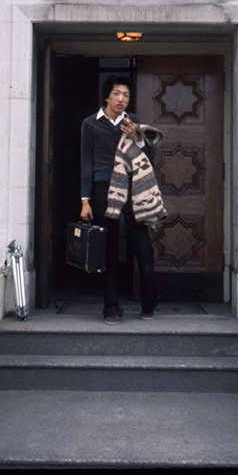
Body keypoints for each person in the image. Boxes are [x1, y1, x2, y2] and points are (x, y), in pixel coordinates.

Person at [80, 75, 158, 325]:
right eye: (117, 93)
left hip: (133, 187)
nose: (121, 98)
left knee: (142, 247)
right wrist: (85, 200)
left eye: (125, 94)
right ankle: (111, 308)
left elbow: (150, 157)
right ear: (107, 96)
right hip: (104, 188)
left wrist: (137, 138)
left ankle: (148, 303)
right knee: (109, 248)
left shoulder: (133, 121)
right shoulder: (90, 124)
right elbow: (86, 163)